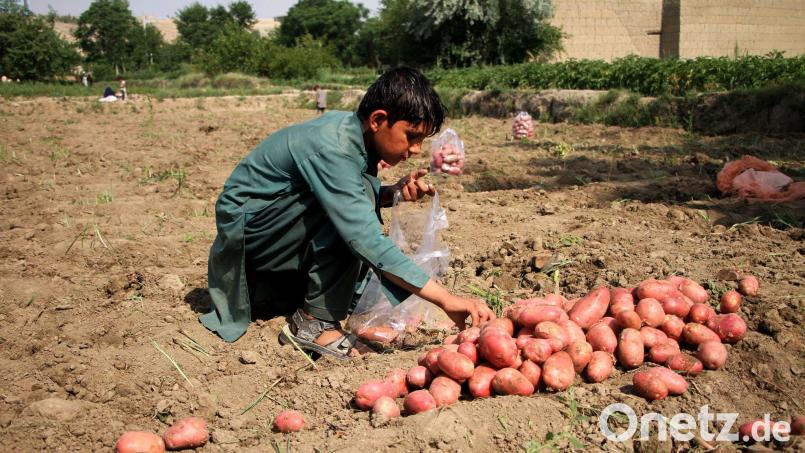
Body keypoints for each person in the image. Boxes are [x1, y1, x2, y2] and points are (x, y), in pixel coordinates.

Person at [202, 67, 495, 357]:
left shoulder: (354, 133)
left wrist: (392, 192)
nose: (417, 150)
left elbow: (348, 192)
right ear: (379, 120)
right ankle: (315, 323)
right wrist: (446, 299)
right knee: (354, 220)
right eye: (411, 136)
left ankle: (342, 305)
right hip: (252, 242)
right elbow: (363, 235)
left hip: (274, 232)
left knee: (359, 203)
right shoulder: (335, 148)